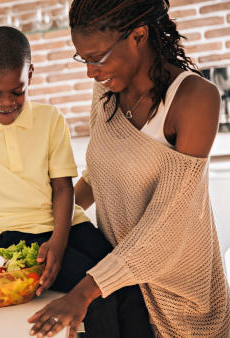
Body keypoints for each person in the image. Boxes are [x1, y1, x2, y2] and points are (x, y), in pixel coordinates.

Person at [0, 26, 153, 336]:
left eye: (17, 91)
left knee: (125, 281)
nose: (7, 102)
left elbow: (62, 187)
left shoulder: (50, 120)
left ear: (29, 75)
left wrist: (58, 241)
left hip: (69, 225)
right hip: (14, 237)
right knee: (96, 296)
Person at [28, 0, 230, 337]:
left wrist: (83, 292)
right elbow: (101, 174)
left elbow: (169, 218)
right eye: (84, 59)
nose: (89, 72)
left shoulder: (195, 98)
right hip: (122, 290)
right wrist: (54, 229)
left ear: (138, 36)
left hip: (180, 301)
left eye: (96, 58)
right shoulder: (107, 91)